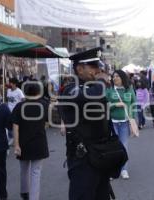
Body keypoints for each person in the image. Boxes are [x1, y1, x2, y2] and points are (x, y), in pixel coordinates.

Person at [60, 47, 112, 200]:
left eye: (98, 66)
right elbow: (95, 94)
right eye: (94, 66)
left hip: (101, 155)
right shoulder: (70, 89)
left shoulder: (93, 87)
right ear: (79, 68)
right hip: (82, 158)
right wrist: (102, 80)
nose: (98, 70)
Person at [12, 81, 49, 200]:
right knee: (35, 173)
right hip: (39, 143)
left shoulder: (19, 106)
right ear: (38, 92)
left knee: (24, 169)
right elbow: (47, 123)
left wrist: (16, 144)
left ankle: (24, 192)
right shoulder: (44, 105)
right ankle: (34, 197)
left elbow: (15, 127)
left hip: (23, 143)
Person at [106, 69, 136, 179]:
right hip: (112, 122)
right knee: (113, 148)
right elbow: (105, 105)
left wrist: (132, 117)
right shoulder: (109, 90)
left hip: (125, 122)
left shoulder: (129, 89)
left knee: (124, 146)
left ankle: (124, 169)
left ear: (122, 78)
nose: (115, 78)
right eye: (113, 76)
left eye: (117, 76)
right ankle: (114, 171)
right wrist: (115, 105)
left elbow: (133, 102)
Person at [6, 77, 25, 145]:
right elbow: (7, 100)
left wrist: (20, 108)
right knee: (9, 126)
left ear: (14, 84)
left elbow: (23, 100)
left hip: (16, 112)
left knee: (16, 126)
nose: (9, 84)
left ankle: (17, 139)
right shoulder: (8, 90)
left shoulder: (19, 91)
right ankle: (12, 138)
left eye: (10, 83)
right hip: (9, 111)